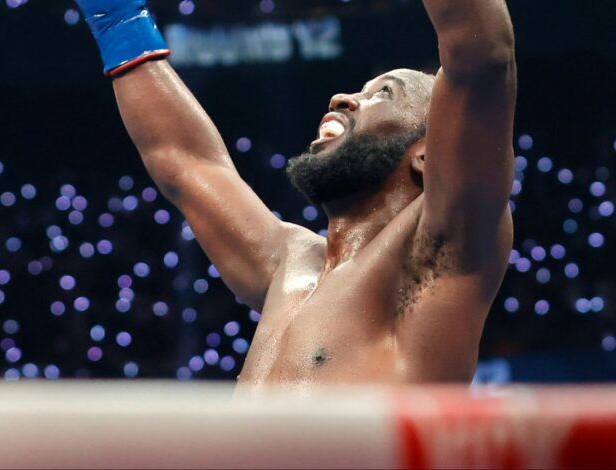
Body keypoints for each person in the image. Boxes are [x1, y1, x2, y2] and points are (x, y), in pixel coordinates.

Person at [74, 0, 517, 386]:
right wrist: (116, 17)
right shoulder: (289, 264)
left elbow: (483, 56)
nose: (341, 98)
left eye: (384, 93)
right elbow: (186, 163)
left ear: (428, 154)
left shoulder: (439, 249)